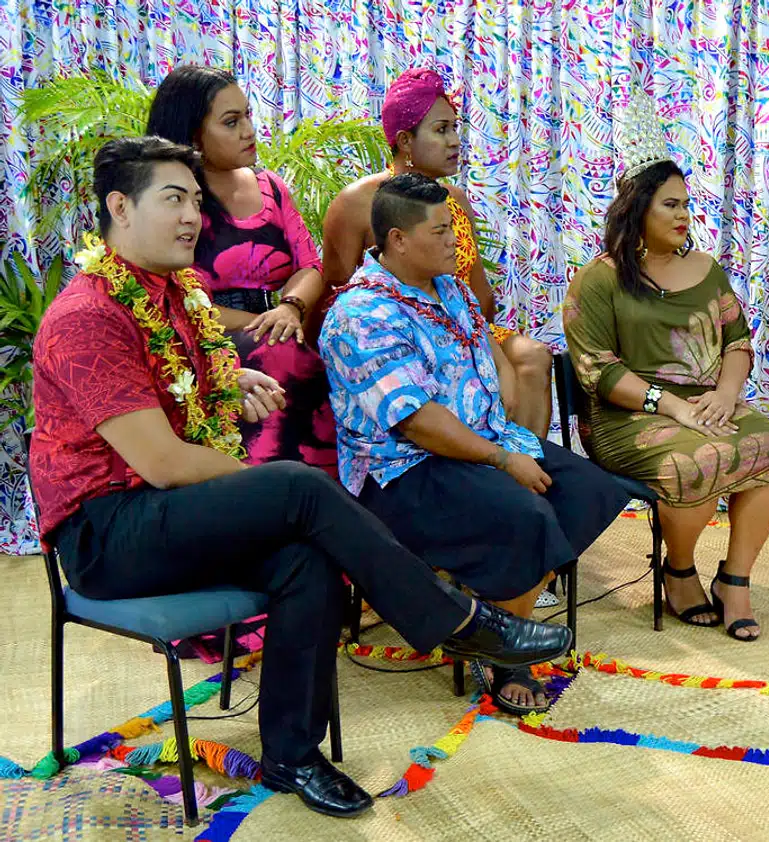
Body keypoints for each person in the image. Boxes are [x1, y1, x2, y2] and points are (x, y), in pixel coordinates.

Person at [30, 138, 573, 818]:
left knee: (307, 558)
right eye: (174, 200)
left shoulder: (175, 294)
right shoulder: (88, 316)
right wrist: (255, 487)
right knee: (297, 488)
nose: (193, 217)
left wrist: (231, 379)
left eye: (196, 201)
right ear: (119, 206)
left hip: (173, 516)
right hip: (107, 537)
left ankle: (292, 753)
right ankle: (457, 620)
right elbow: (164, 462)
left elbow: (173, 390)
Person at [320, 175, 629, 713]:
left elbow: (494, 360)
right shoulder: (360, 314)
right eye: (441, 230)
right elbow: (418, 423)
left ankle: (497, 622)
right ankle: (505, 654)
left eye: (455, 227)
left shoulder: (453, 289)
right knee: (525, 515)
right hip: (405, 471)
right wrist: (504, 459)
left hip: (481, 442)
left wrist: (506, 426)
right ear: (398, 240)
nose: (455, 241)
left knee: (588, 490)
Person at [563, 95, 769, 642]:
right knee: (698, 461)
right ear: (637, 208)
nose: (684, 215)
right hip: (626, 418)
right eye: (670, 204)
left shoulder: (708, 271)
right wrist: (674, 408)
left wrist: (727, 395)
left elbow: (737, 341)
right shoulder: (599, 279)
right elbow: (597, 370)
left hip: (705, 406)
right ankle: (679, 571)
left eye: (687, 204)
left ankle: (734, 581)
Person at [321, 67, 553, 437]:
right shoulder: (356, 203)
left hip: (466, 328)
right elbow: (334, 298)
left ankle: (527, 458)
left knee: (533, 356)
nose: (455, 141)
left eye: (455, 128)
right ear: (405, 141)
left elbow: (482, 295)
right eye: (442, 130)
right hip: (396, 339)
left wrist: (473, 340)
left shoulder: (455, 200)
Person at [146, 65, 337, 474]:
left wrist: (288, 308)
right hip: (208, 344)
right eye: (232, 122)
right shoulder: (174, 204)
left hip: (283, 330)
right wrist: (264, 324)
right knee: (278, 359)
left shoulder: (271, 187)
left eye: (248, 115)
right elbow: (173, 297)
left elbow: (310, 266)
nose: (250, 130)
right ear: (192, 136)